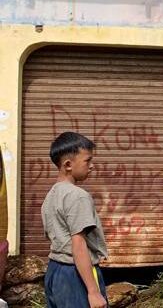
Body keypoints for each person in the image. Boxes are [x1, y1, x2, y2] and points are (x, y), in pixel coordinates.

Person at [42, 132, 108, 308]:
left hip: (54, 272)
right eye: (87, 160)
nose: (91, 166)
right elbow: (78, 244)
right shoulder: (78, 196)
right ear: (68, 165)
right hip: (76, 275)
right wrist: (93, 292)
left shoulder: (51, 195)